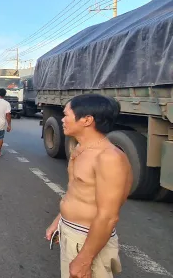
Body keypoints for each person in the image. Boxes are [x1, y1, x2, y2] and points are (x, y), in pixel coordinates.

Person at [45, 94, 130, 278]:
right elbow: (76, 192)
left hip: (86, 240)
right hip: (71, 232)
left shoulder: (109, 157)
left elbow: (108, 217)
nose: (62, 119)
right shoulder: (80, 149)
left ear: (87, 120)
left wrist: (84, 259)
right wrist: (59, 220)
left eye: (66, 114)